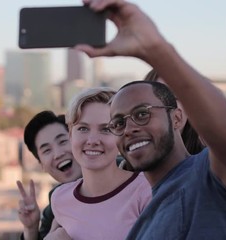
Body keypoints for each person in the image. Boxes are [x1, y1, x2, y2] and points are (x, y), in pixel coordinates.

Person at [75, 0, 226, 239]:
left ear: (176, 117)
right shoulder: (143, 224)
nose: (130, 128)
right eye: (118, 123)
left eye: (142, 114)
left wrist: (154, 49)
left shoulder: (208, 174)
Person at [49, 87, 152, 239]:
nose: (92, 141)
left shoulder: (146, 191)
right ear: (70, 134)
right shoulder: (60, 198)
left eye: (105, 129)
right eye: (83, 128)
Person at [18, 111, 83, 240]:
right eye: (47, 150)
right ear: (41, 164)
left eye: (63, 141)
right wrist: (31, 229)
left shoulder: (121, 171)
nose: (58, 154)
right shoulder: (53, 210)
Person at [144, 69, 205, 155]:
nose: (168, 104)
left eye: (175, 95)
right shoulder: (126, 166)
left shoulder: (211, 162)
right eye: (159, 97)